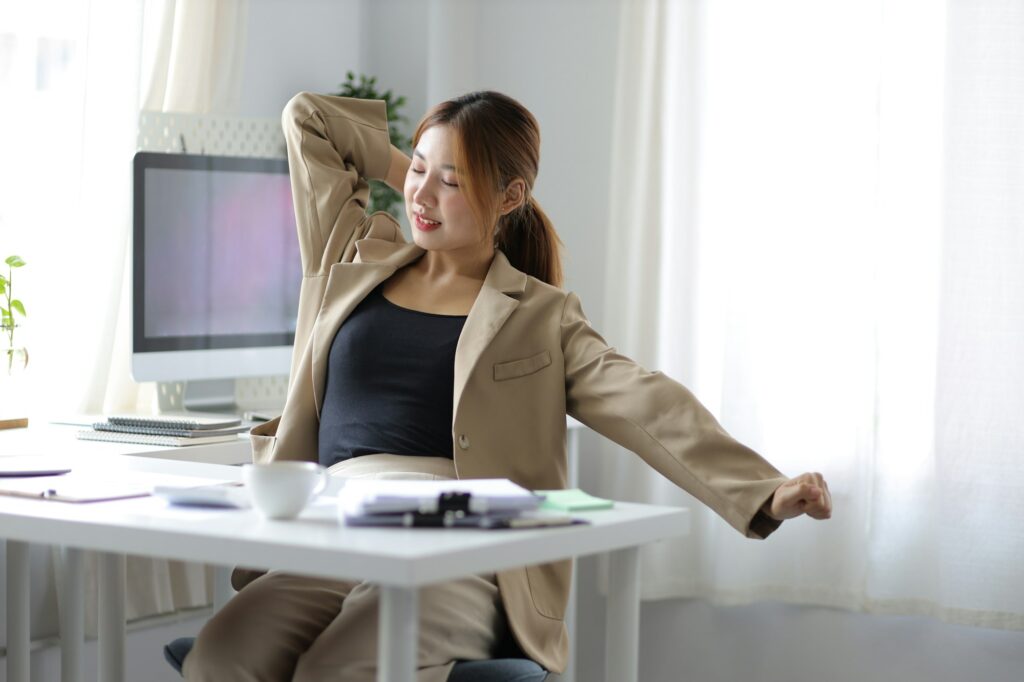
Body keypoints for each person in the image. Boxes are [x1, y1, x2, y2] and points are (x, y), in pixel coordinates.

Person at [184, 90, 832, 682]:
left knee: (341, 669)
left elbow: (644, 400)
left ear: (511, 195)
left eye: (453, 182)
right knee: (222, 655)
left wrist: (762, 488)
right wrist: (422, 169)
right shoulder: (352, 256)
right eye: (419, 172)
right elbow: (310, 119)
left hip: (459, 547)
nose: (422, 196)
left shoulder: (539, 315)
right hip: (333, 528)